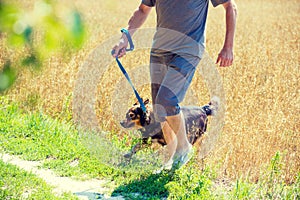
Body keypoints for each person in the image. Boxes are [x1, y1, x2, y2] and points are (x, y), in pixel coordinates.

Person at [112, 0, 237, 171]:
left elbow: (230, 6)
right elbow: (142, 10)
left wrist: (228, 47)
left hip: (188, 50)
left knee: (167, 100)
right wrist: (124, 39)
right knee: (160, 111)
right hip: (159, 50)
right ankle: (170, 163)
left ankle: (184, 148)